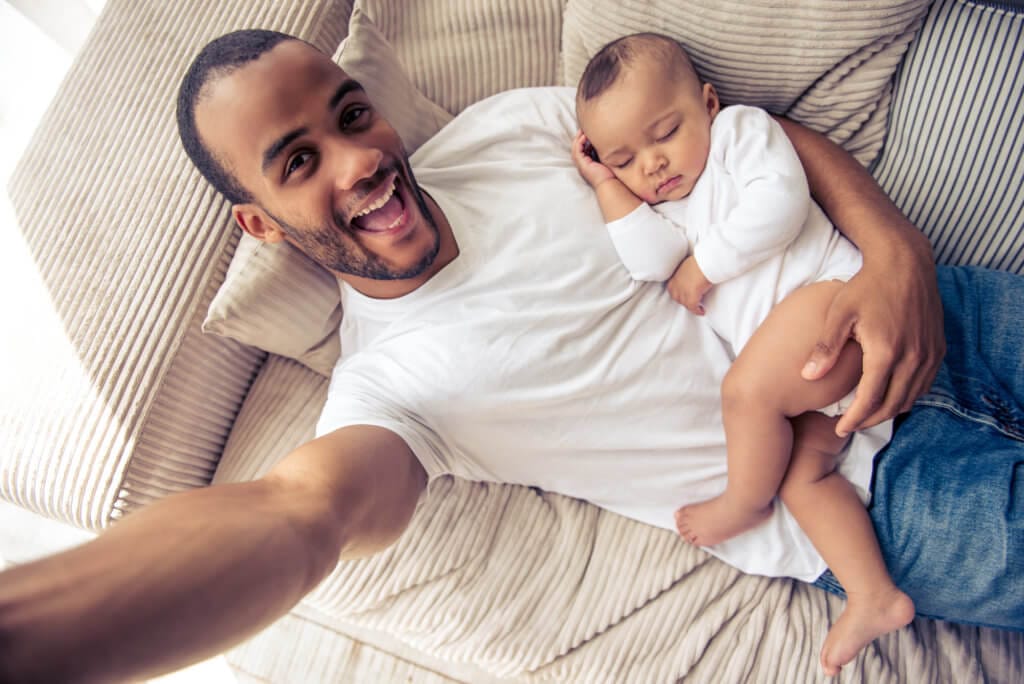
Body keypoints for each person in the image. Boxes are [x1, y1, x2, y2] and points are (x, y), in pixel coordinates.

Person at [1, 29, 1021, 684]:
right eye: (299, 162)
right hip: (865, 500)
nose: (360, 162)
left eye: (350, 116)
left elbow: (756, 147)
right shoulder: (385, 389)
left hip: (919, 312)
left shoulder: (518, 129)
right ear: (260, 226)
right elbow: (296, 518)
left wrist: (896, 250)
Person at [570, 33, 914, 673]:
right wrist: (602, 184)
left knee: (743, 394)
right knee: (805, 478)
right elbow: (649, 263)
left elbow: (781, 204)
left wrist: (707, 265)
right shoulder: (667, 210)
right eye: (625, 159)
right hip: (806, 375)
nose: (652, 164)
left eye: (666, 132)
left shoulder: (737, 137)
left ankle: (742, 503)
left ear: (707, 103)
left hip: (832, 300)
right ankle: (873, 594)